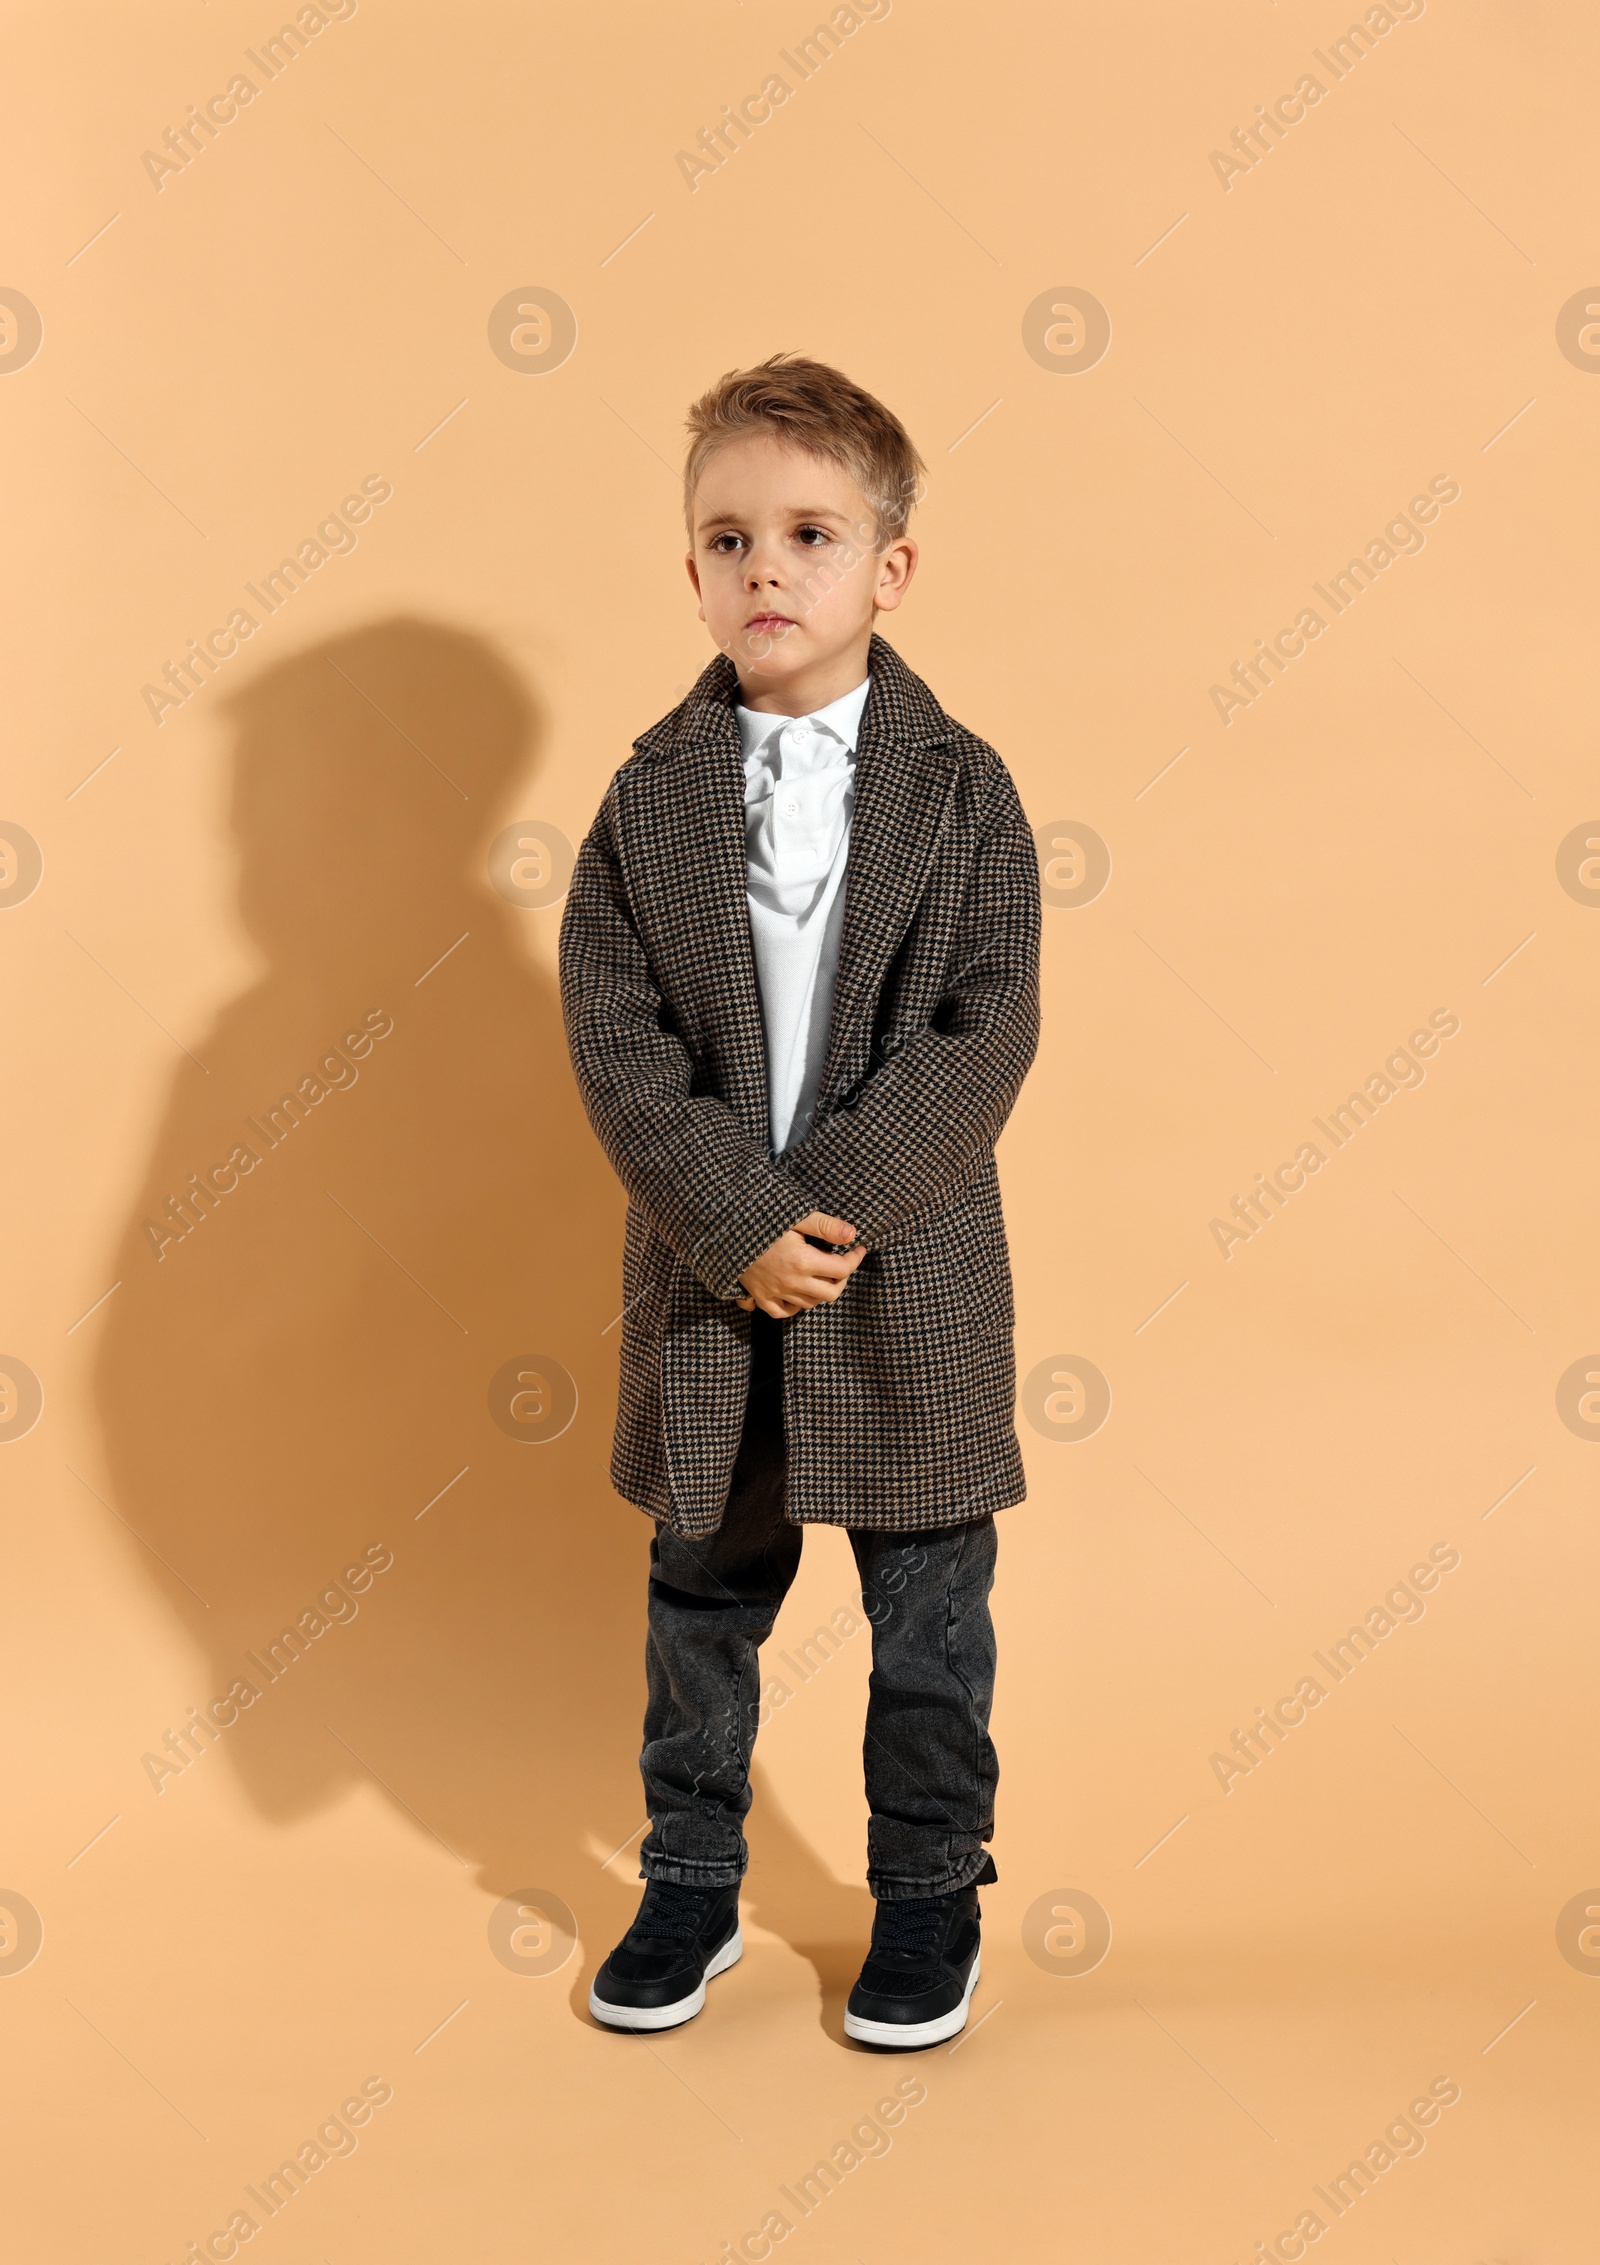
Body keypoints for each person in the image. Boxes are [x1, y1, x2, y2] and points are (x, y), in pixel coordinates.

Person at [558, 353, 1040, 2047]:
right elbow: (613, 1033)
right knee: (701, 1591)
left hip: (899, 1279)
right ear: (689, 569)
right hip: (708, 1285)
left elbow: (989, 1021)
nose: (768, 567)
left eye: (811, 533)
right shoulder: (646, 797)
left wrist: (821, 1212)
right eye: (728, 537)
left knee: (926, 1612)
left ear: (886, 569)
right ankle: (689, 1874)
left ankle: (927, 1893)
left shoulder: (961, 786)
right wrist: (728, 1217)